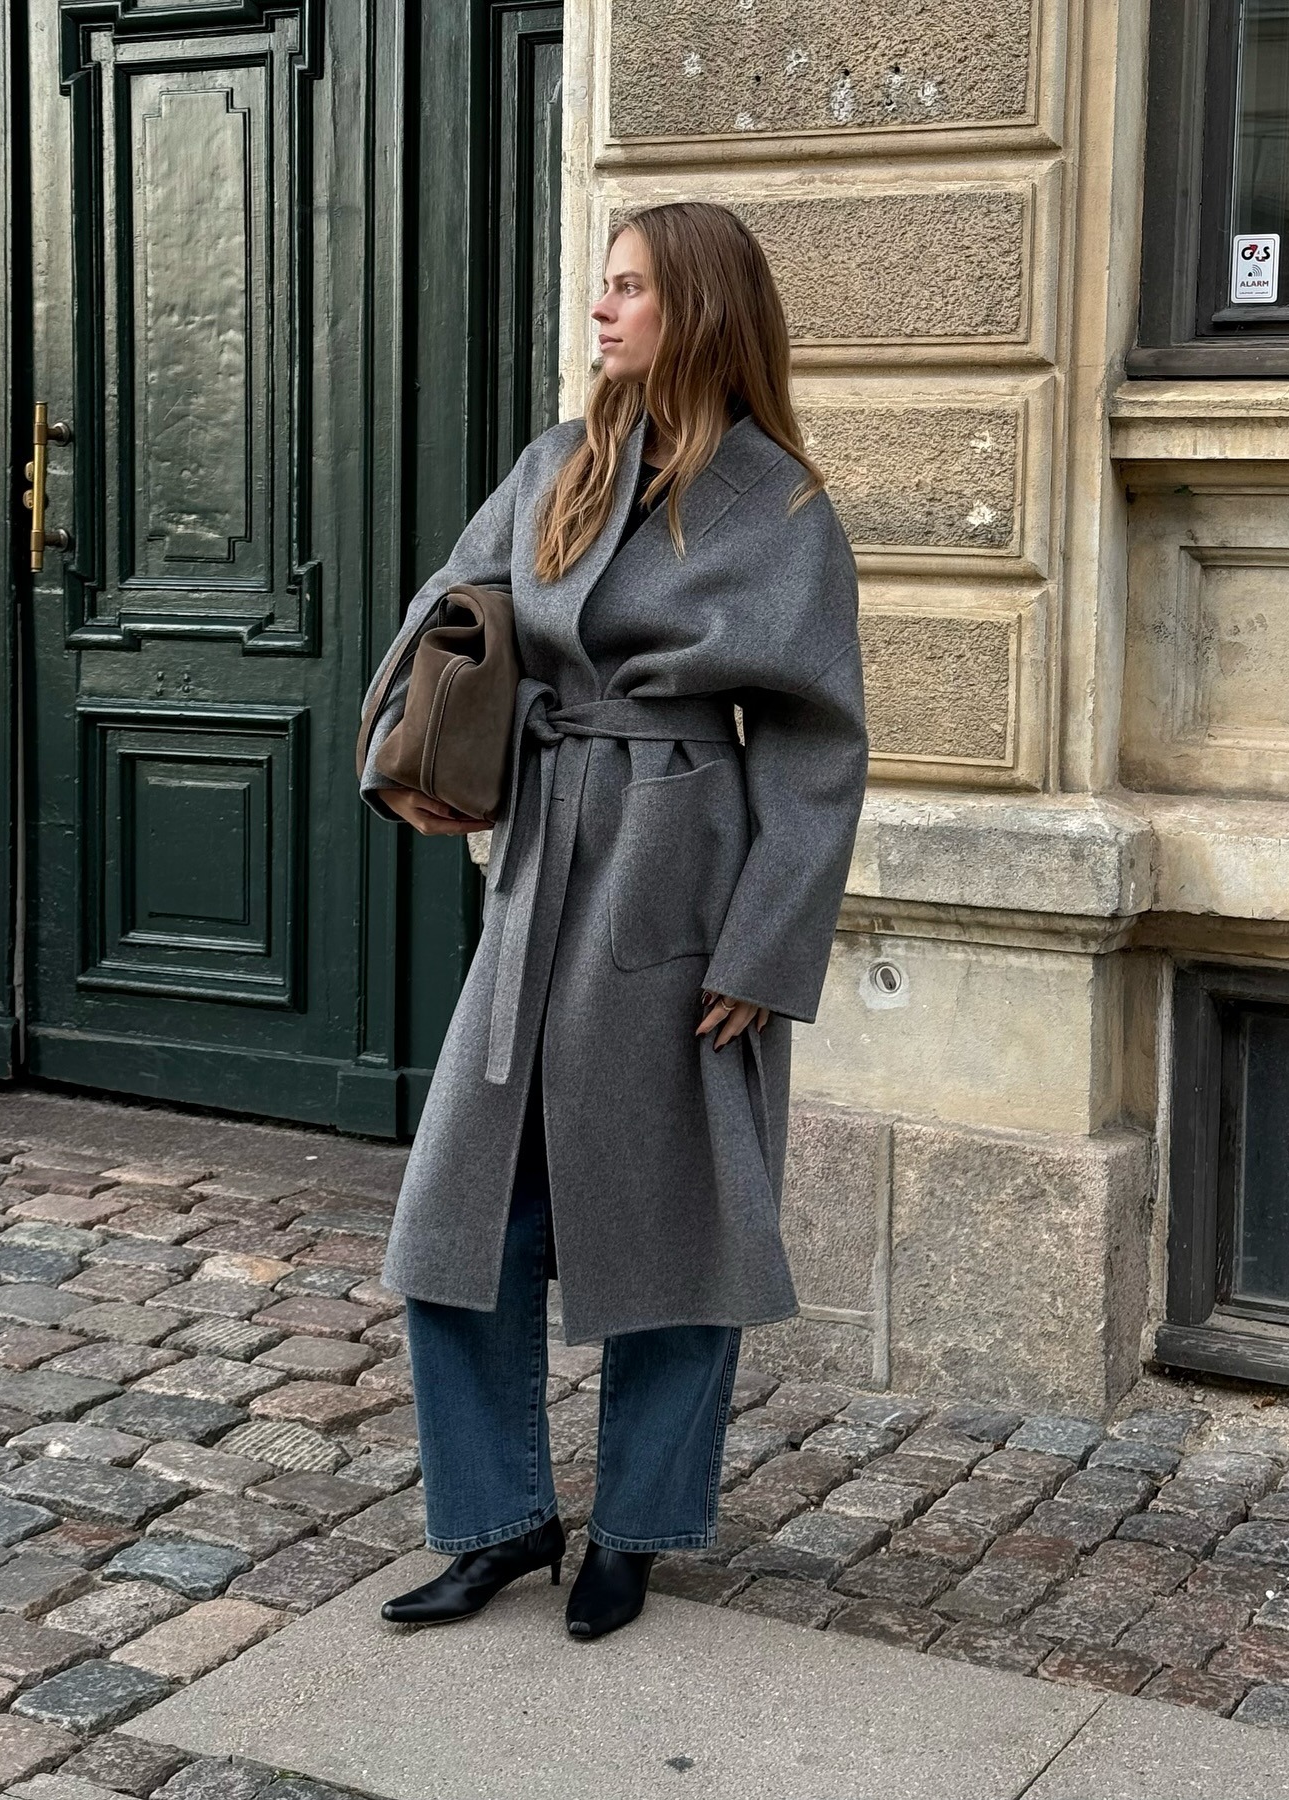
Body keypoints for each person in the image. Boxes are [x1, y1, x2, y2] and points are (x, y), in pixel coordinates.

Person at [357, 200, 868, 1641]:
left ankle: (636, 1530)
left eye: (631, 287)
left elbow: (819, 750)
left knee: (677, 1223)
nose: (603, 308)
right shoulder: (558, 466)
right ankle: (497, 1518)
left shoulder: (783, 510)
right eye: (604, 285)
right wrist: (426, 750)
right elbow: (452, 611)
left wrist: (765, 948)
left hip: (679, 876)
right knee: (459, 1221)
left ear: (696, 309)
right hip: (540, 873)